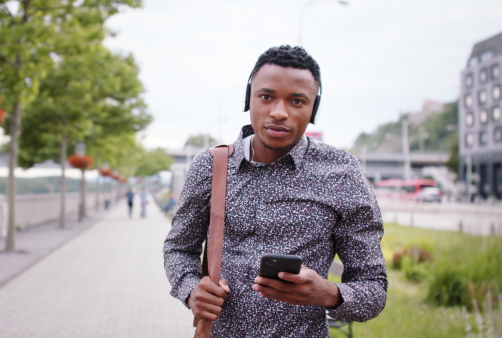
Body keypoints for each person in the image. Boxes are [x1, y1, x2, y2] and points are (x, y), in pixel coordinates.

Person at [163, 45, 387, 337]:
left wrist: (329, 293)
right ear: (249, 99)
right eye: (266, 97)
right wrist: (192, 291)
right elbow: (178, 247)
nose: (279, 113)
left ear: (313, 109)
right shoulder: (211, 166)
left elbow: (374, 288)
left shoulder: (342, 173)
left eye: (297, 101)